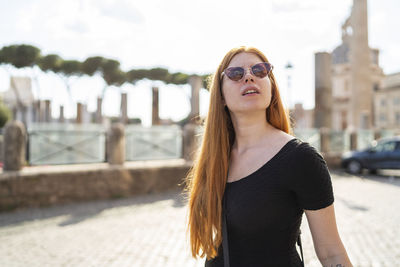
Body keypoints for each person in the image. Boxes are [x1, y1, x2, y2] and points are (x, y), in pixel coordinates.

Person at [185, 46, 352, 267]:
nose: (249, 77)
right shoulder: (215, 159)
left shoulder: (301, 159)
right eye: (236, 73)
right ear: (221, 96)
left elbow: (331, 253)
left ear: (271, 86)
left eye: (260, 70)